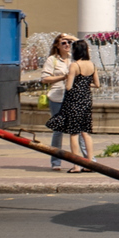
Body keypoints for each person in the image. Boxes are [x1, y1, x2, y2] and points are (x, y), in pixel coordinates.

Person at [44, 39, 98, 172]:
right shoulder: (92, 65)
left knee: (74, 133)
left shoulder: (74, 65)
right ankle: (90, 163)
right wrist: (84, 85)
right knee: (85, 132)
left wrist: (71, 80)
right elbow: (97, 84)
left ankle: (76, 165)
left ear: (76, 51)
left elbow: (68, 87)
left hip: (73, 101)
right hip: (86, 100)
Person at [38, 35, 87, 170]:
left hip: (75, 98)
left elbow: (84, 46)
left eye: (69, 43)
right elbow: (44, 79)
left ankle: (88, 160)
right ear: (57, 46)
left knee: (81, 129)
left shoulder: (75, 57)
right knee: (58, 130)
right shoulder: (52, 60)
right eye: (63, 43)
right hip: (57, 97)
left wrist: (71, 37)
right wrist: (63, 77)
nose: (67, 45)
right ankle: (56, 162)